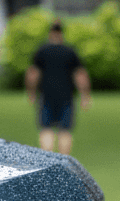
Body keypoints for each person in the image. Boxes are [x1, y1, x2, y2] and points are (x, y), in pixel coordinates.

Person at [25, 20, 91, 155]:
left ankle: (48, 160)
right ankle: (63, 162)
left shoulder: (42, 51)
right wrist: (85, 95)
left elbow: (32, 74)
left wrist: (31, 92)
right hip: (66, 96)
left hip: (46, 95)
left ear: (50, 33)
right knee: (65, 131)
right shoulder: (70, 52)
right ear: (62, 34)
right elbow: (80, 75)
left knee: (46, 129)